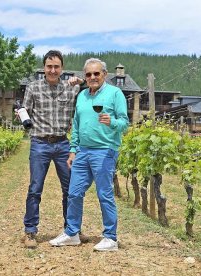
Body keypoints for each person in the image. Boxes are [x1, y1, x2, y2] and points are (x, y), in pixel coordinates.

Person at [49, 58, 129, 251]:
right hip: (82, 152)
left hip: (105, 150)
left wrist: (112, 122)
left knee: (104, 194)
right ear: (85, 77)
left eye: (96, 73)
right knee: (74, 193)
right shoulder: (83, 95)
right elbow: (76, 124)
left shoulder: (115, 93)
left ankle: (110, 238)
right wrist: (73, 149)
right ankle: (72, 233)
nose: (92, 77)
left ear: (105, 74)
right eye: (88, 74)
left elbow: (124, 123)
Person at [21, 50, 82, 249]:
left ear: (62, 68)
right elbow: (24, 112)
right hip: (40, 143)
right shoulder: (33, 87)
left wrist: (79, 81)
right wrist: (21, 117)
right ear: (44, 68)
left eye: (56, 67)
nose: (53, 70)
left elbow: (89, 89)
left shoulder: (72, 88)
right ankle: (30, 231)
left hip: (63, 144)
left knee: (70, 189)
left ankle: (71, 229)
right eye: (49, 66)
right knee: (35, 188)